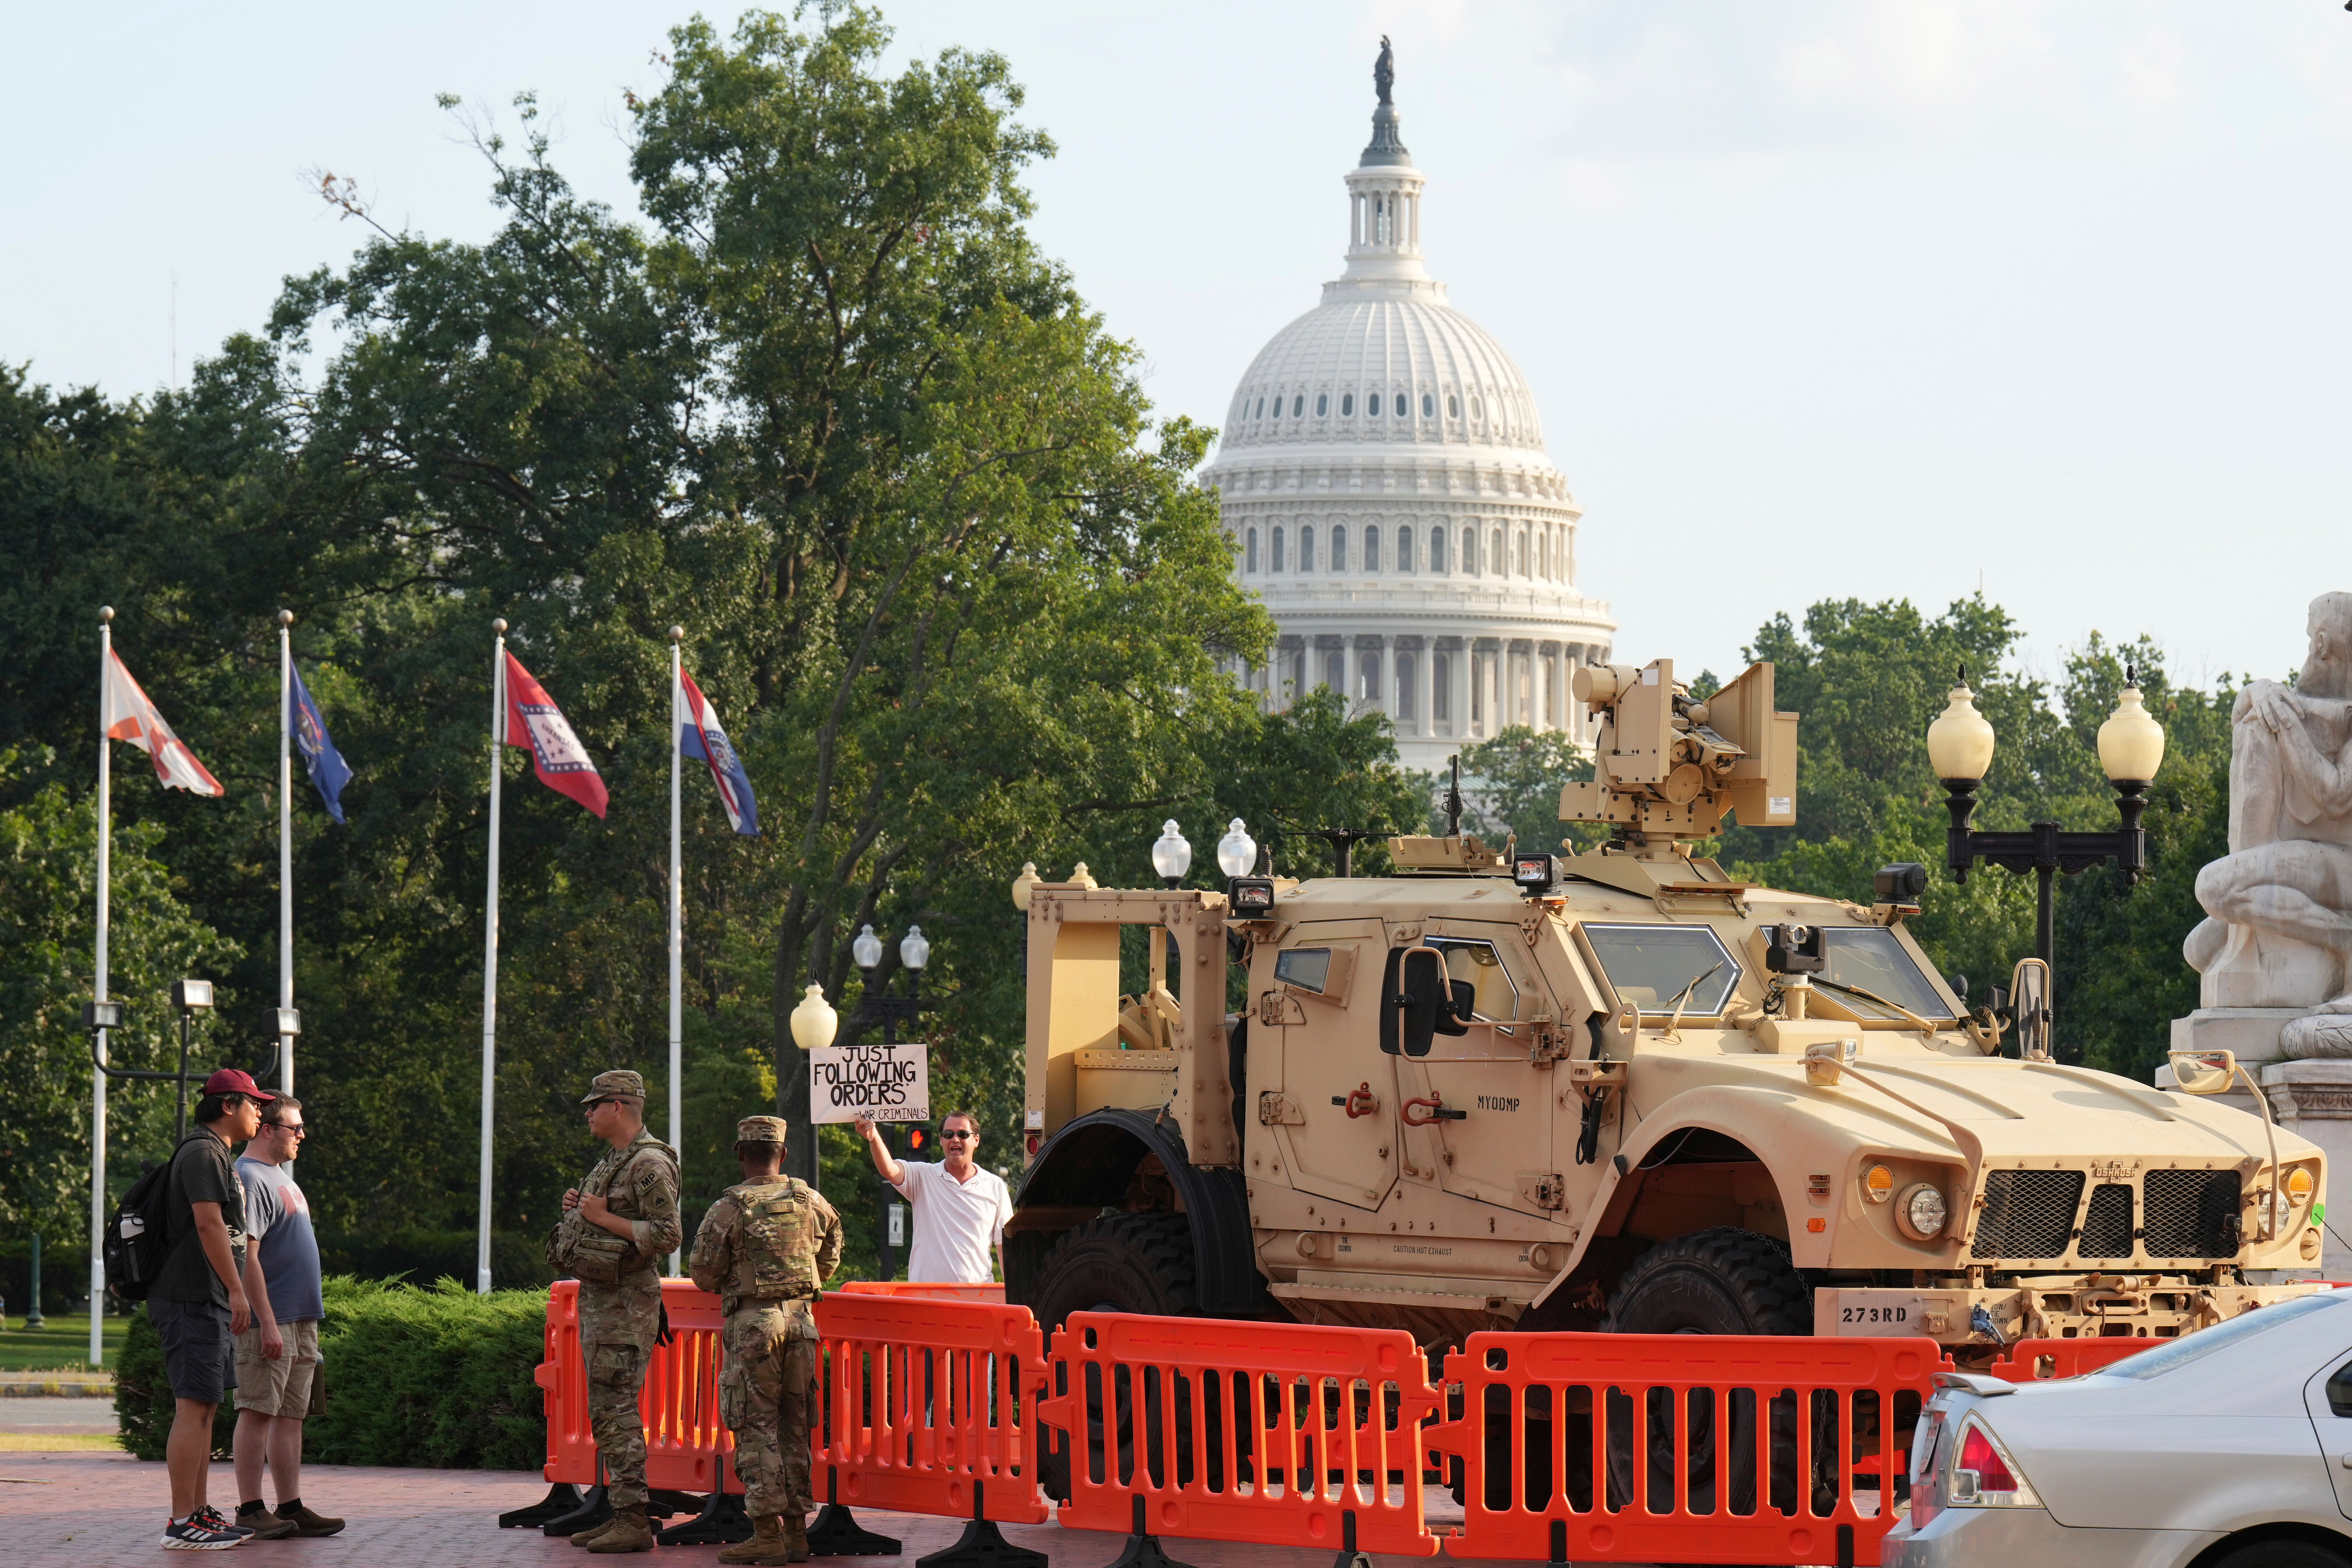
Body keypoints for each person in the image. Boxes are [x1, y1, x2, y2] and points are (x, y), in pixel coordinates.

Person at [689, 1116, 842, 1566]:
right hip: (802, 1324)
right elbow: (832, 1247)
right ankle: (796, 1534)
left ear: (741, 1152)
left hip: (755, 1327)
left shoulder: (730, 1207)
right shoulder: (810, 1199)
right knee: (796, 1425)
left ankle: (765, 1534)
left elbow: (702, 1273)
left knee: (755, 1427)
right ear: (784, 1154)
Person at [549, 1070, 681, 1555]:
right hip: (605, 1304)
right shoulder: (615, 1162)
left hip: (625, 1307)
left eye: (594, 1104)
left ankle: (632, 1521)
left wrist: (602, 1217)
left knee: (618, 1412)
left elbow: (667, 1236)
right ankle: (620, 1514)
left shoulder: (648, 1163)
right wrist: (579, 1208)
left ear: (619, 1107)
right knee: (607, 1412)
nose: (588, 1112)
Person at [150, 1068, 269, 1550]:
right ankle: (182, 1522)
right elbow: (208, 1225)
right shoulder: (203, 1152)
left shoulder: (215, 1152)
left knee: (206, 1408)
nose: (259, 1111)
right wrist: (236, 1290)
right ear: (228, 1105)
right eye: (253, 1103)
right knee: (192, 1407)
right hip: (189, 1297)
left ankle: (198, 1513)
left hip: (206, 1298)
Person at [230, 1095, 343, 1540]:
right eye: (294, 1127)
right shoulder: (248, 1177)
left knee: (292, 1414)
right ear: (268, 1129)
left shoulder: (280, 1178)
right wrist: (268, 1321)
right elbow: (249, 1258)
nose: (302, 1135)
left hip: (301, 1318)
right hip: (271, 1320)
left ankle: (290, 1505)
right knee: (257, 1409)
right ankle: (249, 1508)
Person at [852, 1110, 1010, 1285]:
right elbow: (889, 1169)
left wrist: (1014, 1295)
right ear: (941, 1140)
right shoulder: (923, 1176)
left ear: (976, 1140)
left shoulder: (995, 1186)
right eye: (948, 1134)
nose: (955, 1139)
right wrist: (873, 1137)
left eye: (963, 1134)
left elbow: (1005, 1247)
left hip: (976, 1297)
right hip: (926, 1297)